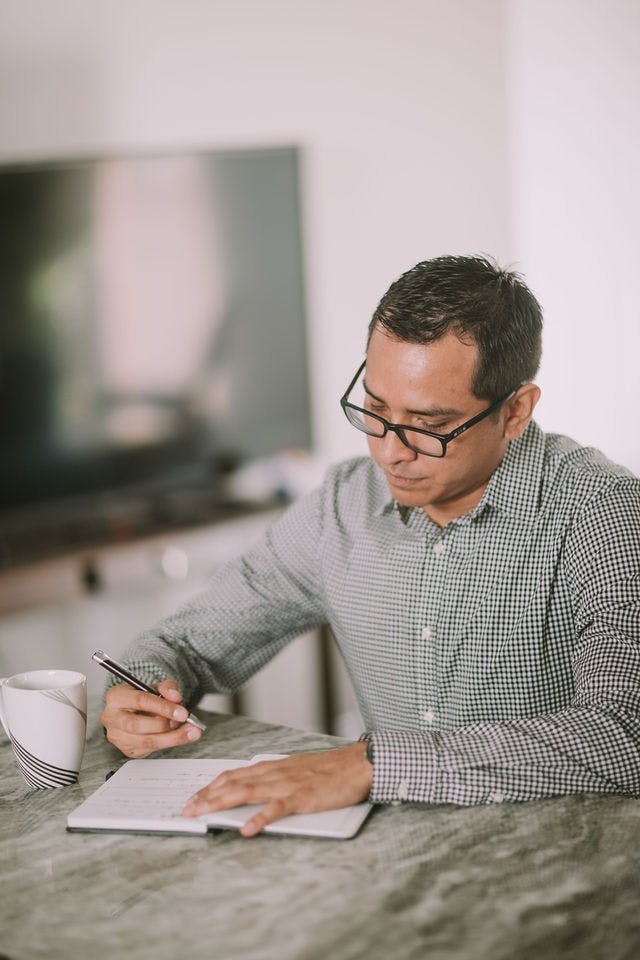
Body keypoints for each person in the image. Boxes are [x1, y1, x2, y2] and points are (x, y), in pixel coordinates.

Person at [101, 255, 640, 836]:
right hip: (393, 863)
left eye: (428, 425)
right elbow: (185, 641)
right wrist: (140, 690)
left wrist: (371, 764)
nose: (389, 451)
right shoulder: (342, 505)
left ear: (515, 412)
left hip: (564, 874)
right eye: (376, 411)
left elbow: (625, 733)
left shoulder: (603, 511)